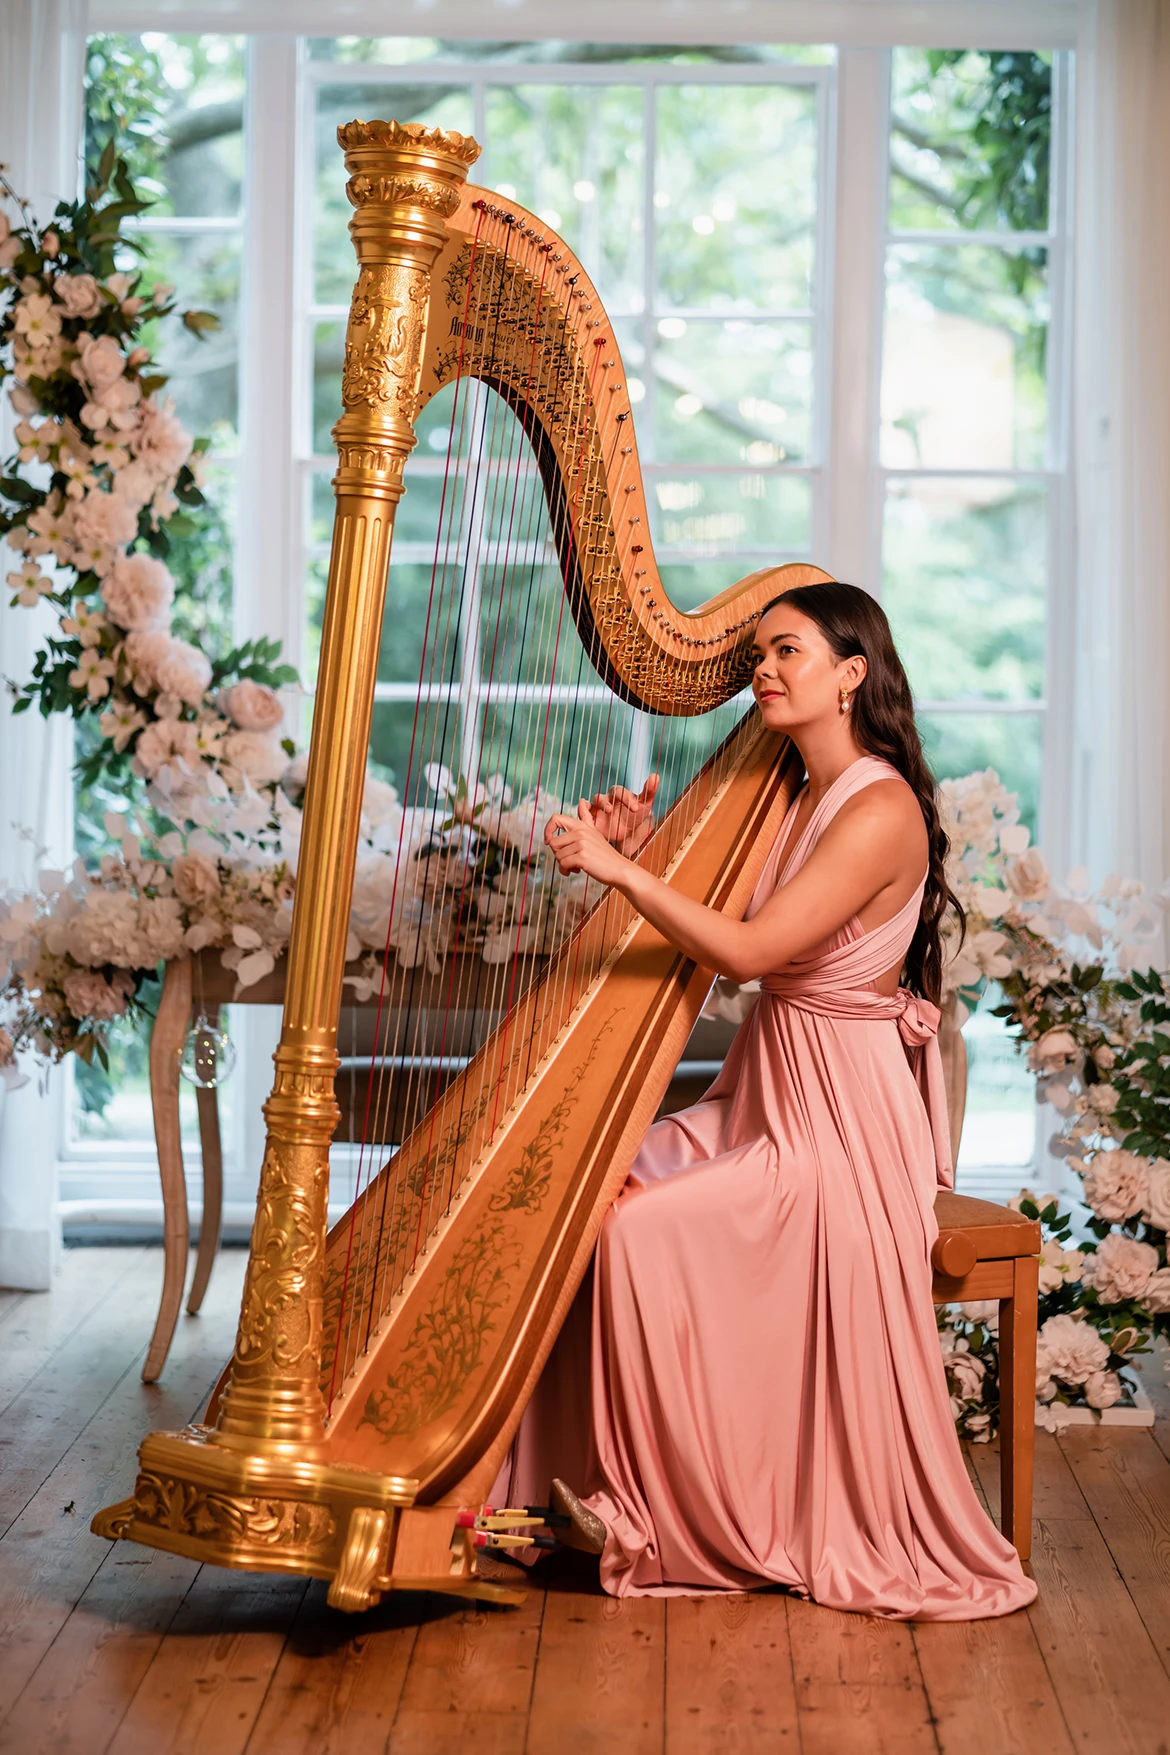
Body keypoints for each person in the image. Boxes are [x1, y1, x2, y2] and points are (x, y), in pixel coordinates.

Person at [507, 580, 1036, 1621]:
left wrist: (622, 872)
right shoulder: (789, 793)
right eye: (758, 655)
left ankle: (653, 1508)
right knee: (584, 1190)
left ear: (853, 673)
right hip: (766, 1096)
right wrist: (641, 848)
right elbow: (721, 926)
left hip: (837, 1134)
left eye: (788, 651)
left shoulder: (878, 808)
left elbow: (747, 951)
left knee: (640, 1237)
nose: (765, 670)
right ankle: (556, 1488)